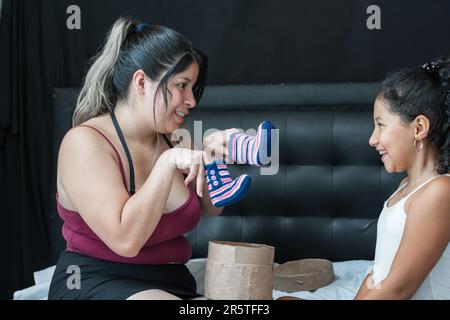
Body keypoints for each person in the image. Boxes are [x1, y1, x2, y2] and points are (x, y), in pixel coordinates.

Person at [48, 16, 225, 300]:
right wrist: (166, 165)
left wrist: (213, 158)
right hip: (97, 280)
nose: (191, 100)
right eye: (182, 85)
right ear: (141, 82)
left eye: (192, 88)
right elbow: (125, 240)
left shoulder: (176, 139)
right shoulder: (84, 143)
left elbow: (212, 208)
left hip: (172, 282)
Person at [355, 59, 450, 299]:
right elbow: (378, 276)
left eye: (381, 125)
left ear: (419, 128)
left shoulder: (440, 191)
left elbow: (398, 289)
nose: (372, 139)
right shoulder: (407, 187)